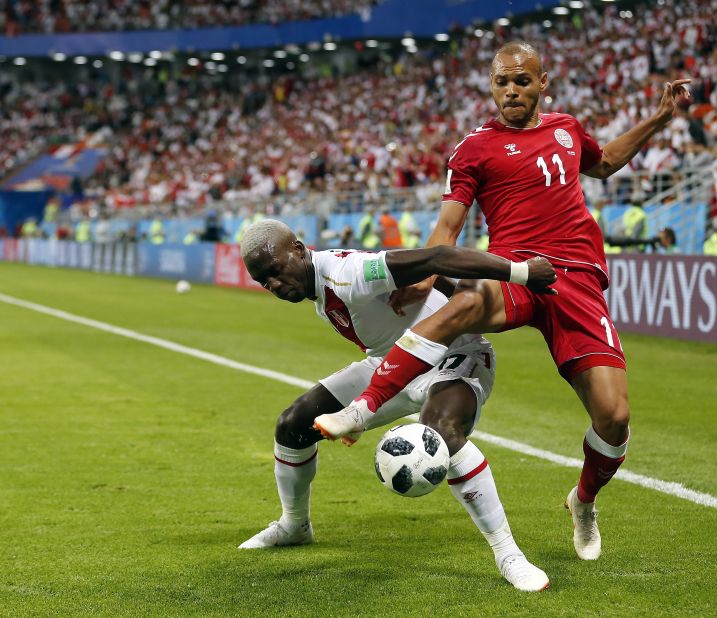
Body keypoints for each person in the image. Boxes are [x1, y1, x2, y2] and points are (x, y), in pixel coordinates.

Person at [314, 41, 691, 563]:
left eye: (521, 81)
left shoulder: (567, 129)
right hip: (515, 272)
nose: (510, 91)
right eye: (501, 82)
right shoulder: (474, 149)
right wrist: (425, 274)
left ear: (542, 84)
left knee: (614, 416)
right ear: (492, 87)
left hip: (576, 281)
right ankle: (364, 408)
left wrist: (659, 118)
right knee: (463, 306)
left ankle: (583, 501)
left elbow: (602, 164)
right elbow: (449, 224)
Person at [237, 219, 557, 592]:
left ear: (298, 249)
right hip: (390, 362)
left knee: (442, 433)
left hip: (454, 355)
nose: (274, 285)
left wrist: (520, 272)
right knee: (292, 425)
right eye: (264, 282)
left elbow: (438, 256)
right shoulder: (319, 287)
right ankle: (295, 526)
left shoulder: (347, 273)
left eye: (275, 271)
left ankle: (509, 554)